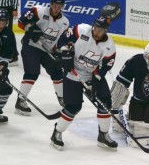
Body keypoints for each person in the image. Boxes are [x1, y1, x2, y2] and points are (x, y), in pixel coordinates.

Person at [50, 15, 118, 151]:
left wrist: (96, 82)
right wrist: (64, 53)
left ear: (106, 31)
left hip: (92, 75)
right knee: (73, 107)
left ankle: (103, 135)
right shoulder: (81, 30)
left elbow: (105, 67)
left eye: (101, 30)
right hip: (72, 73)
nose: (97, 32)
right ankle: (57, 132)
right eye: (96, 28)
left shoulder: (109, 46)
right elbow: (63, 40)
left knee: (105, 103)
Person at [15, 0, 69, 116]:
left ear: (62, 7)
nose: (56, 8)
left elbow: (61, 41)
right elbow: (21, 21)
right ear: (51, 4)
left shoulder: (65, 22)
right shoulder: (38, 11)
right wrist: (30, 28)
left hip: (47, 51)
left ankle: (62, 98)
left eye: (59, 6)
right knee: (32, 73)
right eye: (55, 5)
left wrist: (59, 53)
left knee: (57, 73)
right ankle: (21, 100)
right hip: (31, 46)